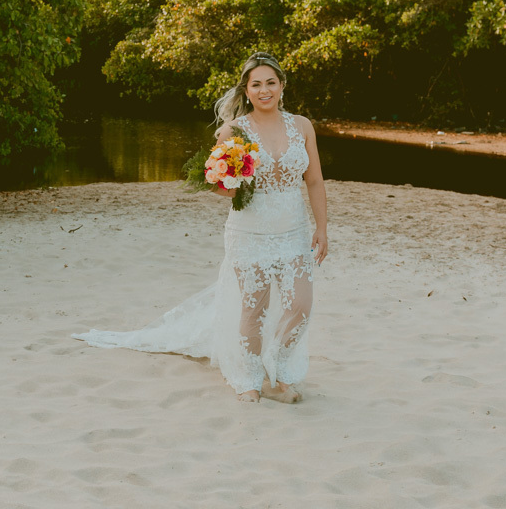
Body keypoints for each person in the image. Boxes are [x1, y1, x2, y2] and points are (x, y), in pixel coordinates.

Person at [73, 52, 328, 404]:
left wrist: (322, 227)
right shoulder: (234, 131)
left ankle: (282, 369)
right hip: (251, 231)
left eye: (271, 82)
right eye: (257, 84)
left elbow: (314, 181)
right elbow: (217, 182)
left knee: (301, 305)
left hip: (294, 230)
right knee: (255, 309)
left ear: (282, 86)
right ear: (247, 90)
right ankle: (252, 379)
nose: (265, 90)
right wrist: (231, 181)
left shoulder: (302, 126)